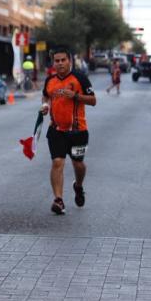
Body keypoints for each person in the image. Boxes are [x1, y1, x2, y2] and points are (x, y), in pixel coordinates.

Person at [41, 50, 96, 215]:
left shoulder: (80, 78)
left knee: (78, 164)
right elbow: (45, 97)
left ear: (69, 61)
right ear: (53, 63)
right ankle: (58, 200)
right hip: (56, 130)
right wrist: (45, 106)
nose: (60, 63)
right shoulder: (50, 80)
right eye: (56, 60)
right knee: (57, 163)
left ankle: (78, 186)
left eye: (63, 60)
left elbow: (93, 100)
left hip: (78, 131)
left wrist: (76, 96)